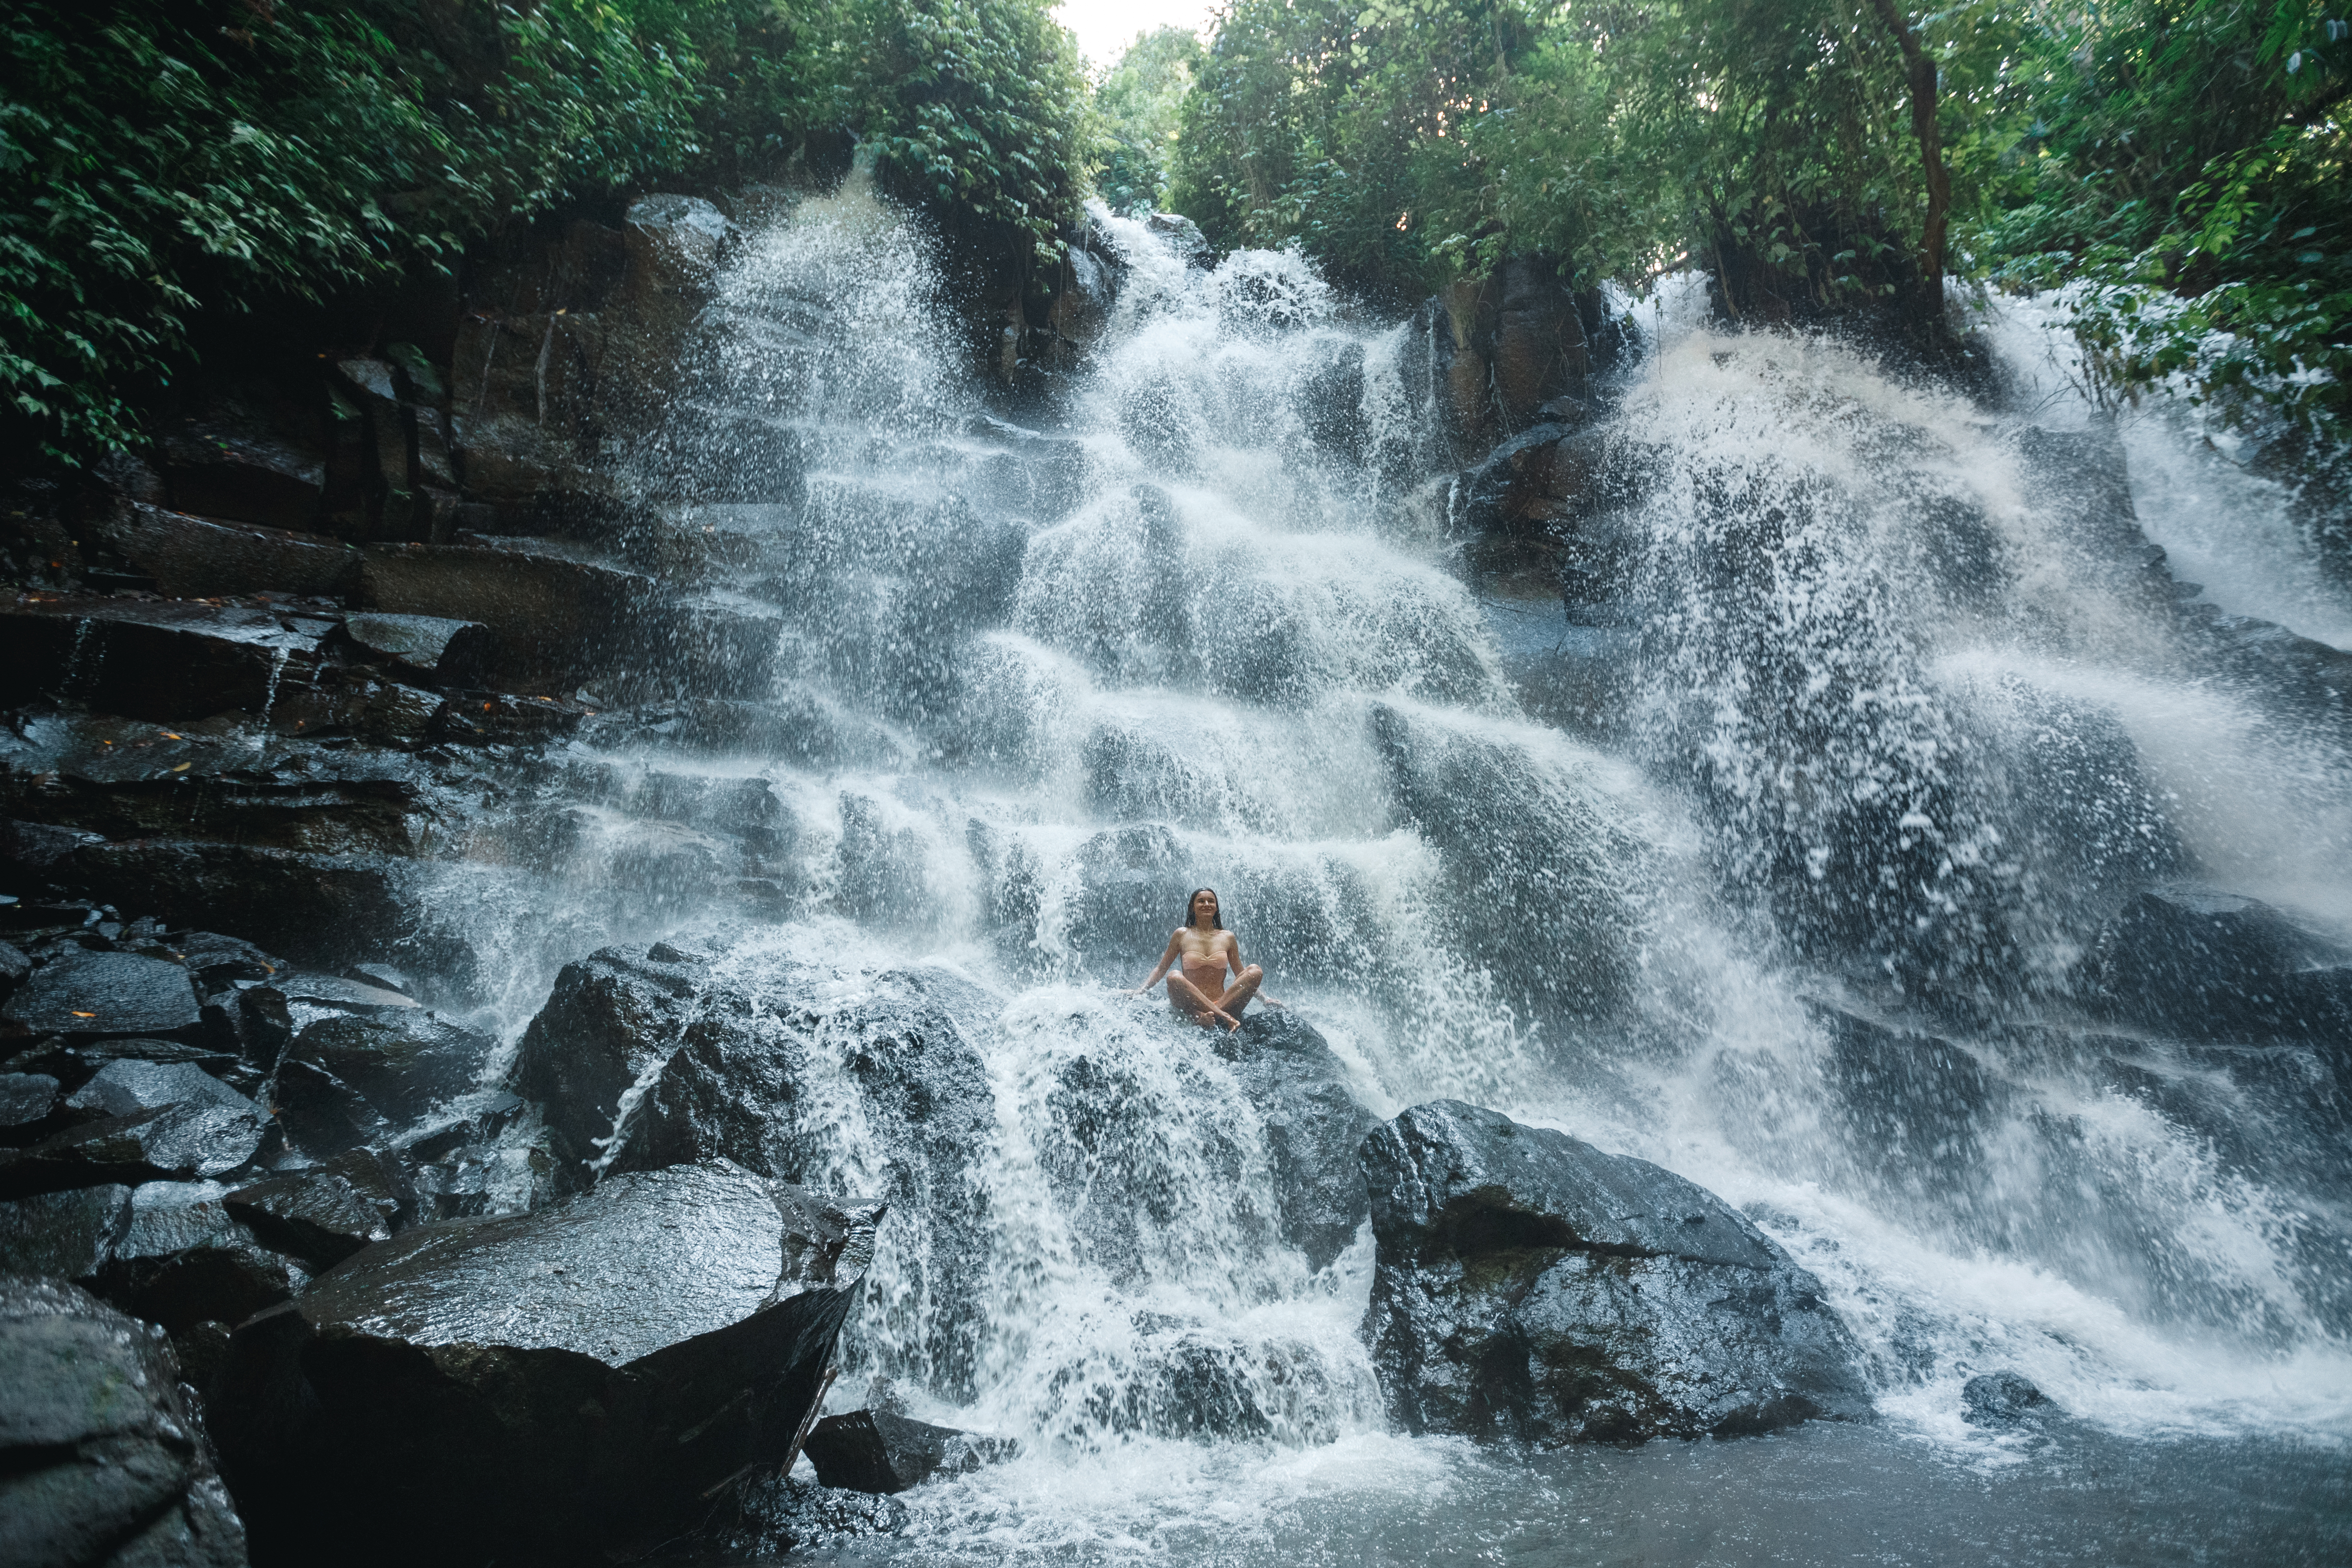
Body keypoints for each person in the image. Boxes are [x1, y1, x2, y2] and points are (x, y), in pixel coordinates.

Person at [1126, 887, 1283, 1032]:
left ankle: (1215, 1015)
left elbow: (1240, 974)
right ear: (1193, 908)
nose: (1206, 904)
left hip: (1224, 1003)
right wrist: (1141, 990)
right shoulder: (1182, 934)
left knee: (1255, 970)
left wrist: (1265, 999)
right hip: (1192, 1008)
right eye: (1201, 901)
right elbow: (1161, 968)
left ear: (1216, 908)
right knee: (1174, 976)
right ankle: (1218, 1017)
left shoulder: (1228, 937)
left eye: (1211, 901)